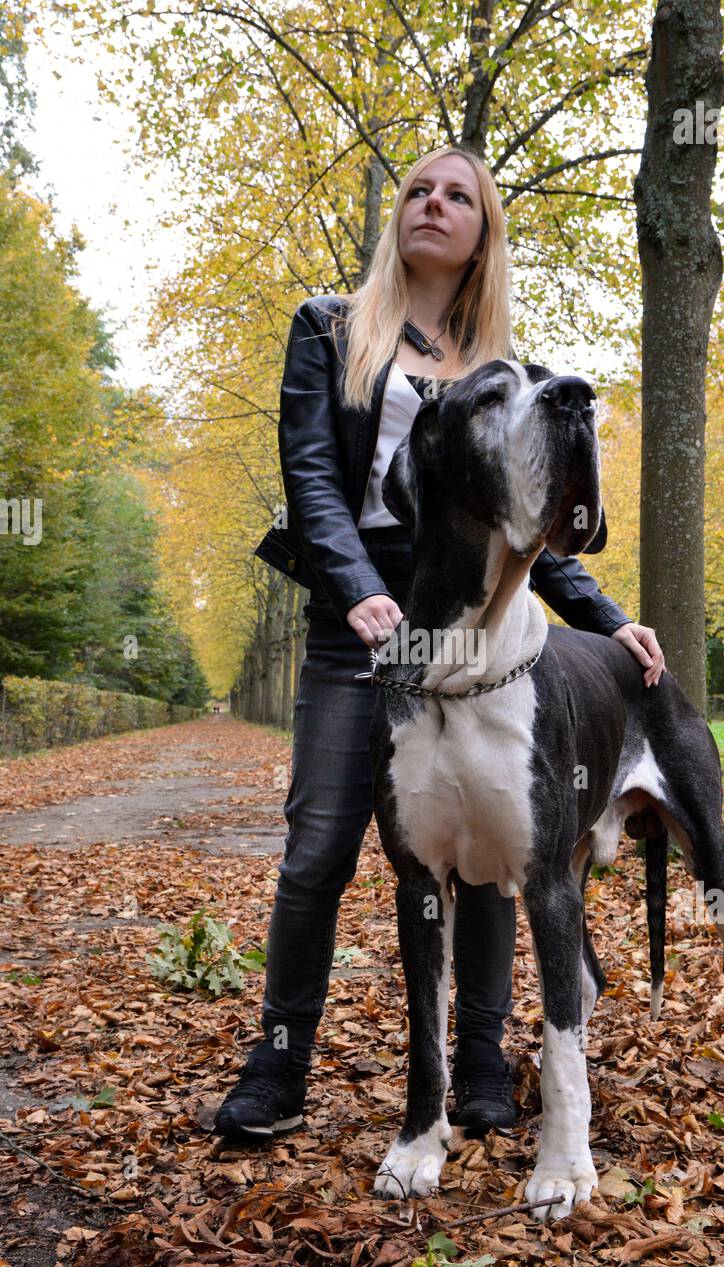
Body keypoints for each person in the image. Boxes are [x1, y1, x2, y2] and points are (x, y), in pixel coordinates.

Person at [214, 144, 665, 1143]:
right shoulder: (331, 328)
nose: (434, 203)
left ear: (482, 229)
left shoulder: (500, 371)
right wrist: (360, 590)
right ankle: (279, 1067)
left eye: (459, 194)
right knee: (319, 847)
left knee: (496, 847)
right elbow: (314, 480)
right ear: (400, 216)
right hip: (359, 623)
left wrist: (603, 614)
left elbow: (527, 520)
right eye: (420, 189)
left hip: (483, 634)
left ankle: (482, 1066)